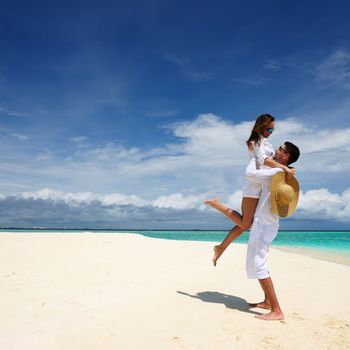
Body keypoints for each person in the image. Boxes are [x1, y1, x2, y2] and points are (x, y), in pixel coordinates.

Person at [209, 142, 301, 321]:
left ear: (286, 156)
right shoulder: (282, 174)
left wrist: (253, 154)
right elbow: (265, 161)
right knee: (258, 260)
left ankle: (276, 310)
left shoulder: (276, 173)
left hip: (264, 225)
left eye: (281, 149)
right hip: (268, 224)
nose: (277, 150)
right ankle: (267, 301)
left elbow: (251, 173)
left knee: (259, 264)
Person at [205, 114, 295, 266]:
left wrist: (287, 169)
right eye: (268, 128)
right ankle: (217, 205)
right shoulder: (257, 141)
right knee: (246, 225)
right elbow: (263, 160)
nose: (271, 131)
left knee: (246, 224)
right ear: (261, 126)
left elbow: (271, 162)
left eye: (273, 129)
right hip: (253, 187)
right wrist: (284, 167)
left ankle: (220, 248)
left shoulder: (267, 143)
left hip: (261, 187)